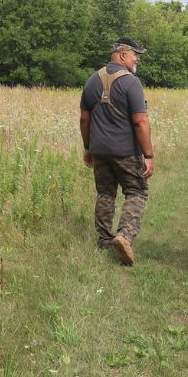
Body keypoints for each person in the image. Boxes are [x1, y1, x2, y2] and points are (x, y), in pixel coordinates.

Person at [79, 37, 155, 266]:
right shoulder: (131, 82)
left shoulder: (92, 80)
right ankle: (124, 235)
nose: (137, 59)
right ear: (122, 55)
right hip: (125, 151)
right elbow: (140, 122)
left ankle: (104, 240)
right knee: (136, 192)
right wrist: (149, 155)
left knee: (105, 193)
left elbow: (84, 118)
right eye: (135, 55)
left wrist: (88, 147)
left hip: (99, 150)